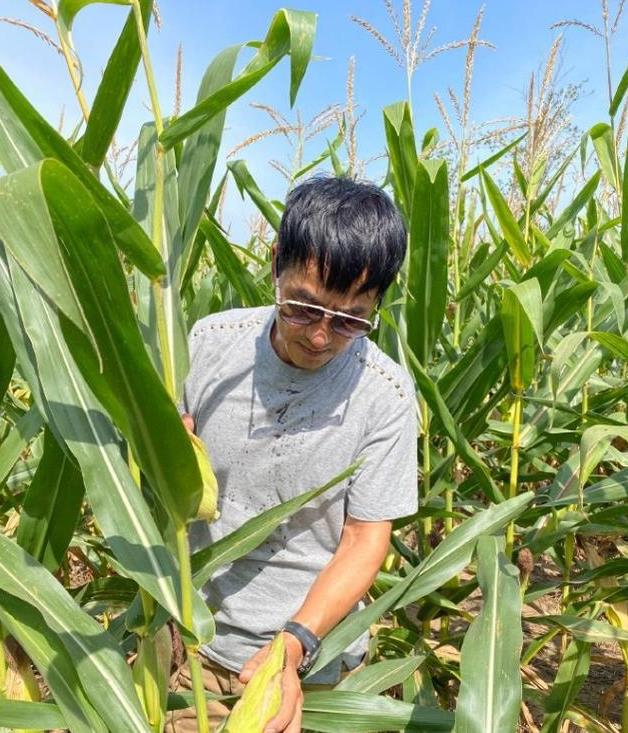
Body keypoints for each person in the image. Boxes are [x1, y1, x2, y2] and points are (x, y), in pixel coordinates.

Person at [167, 176, 418, 732]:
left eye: (351, 319)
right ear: (276, 262)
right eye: (303, 307)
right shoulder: (209, 346)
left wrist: (294, 647)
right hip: (200, 648)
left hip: (316, 659)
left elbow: (364, 539)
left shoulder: (387, 394)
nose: (322, 337)